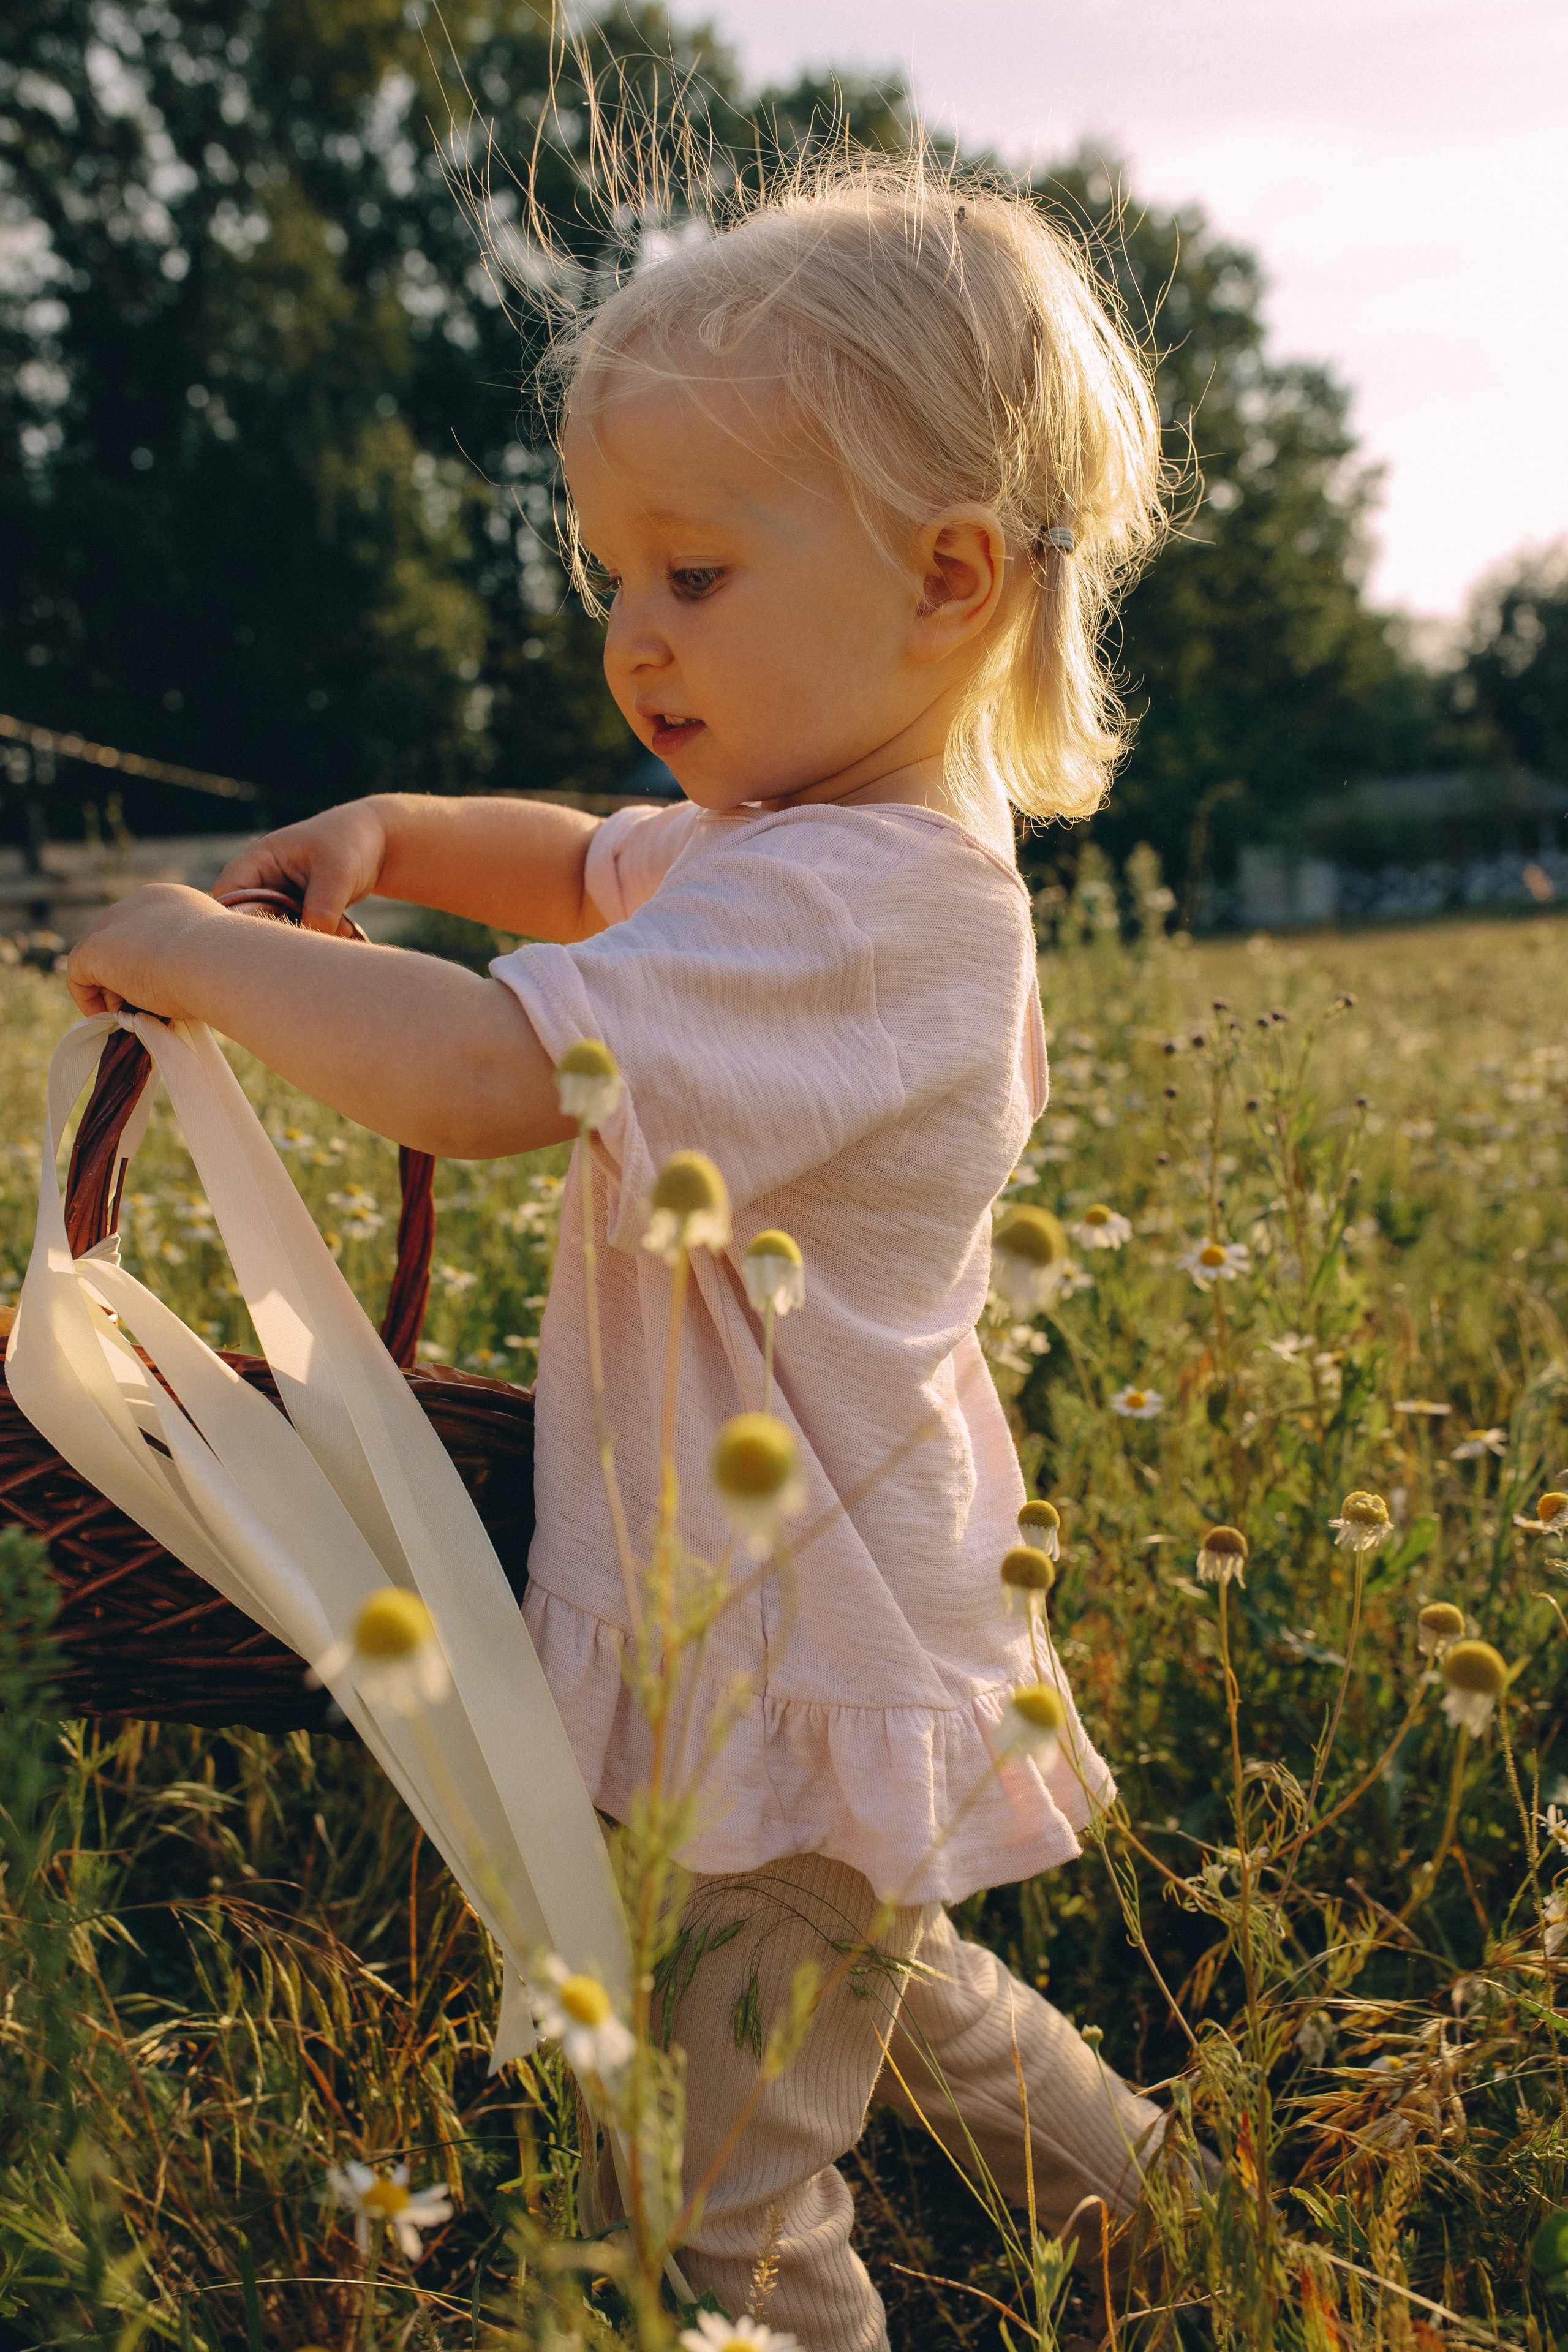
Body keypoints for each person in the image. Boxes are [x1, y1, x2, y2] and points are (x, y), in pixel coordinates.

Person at [67, 154, 1178, 2349]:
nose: (632, 636)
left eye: (694, 571)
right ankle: (1179, 2224)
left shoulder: (871, 907)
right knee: (891, 1987)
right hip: (777, 1608)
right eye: (611, 575)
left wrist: (194, 958)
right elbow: (587, 868)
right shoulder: (792, 842)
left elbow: (490, 1073)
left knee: (716, 2194)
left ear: (947, 577)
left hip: (799, 1623)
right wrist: (397, 834)